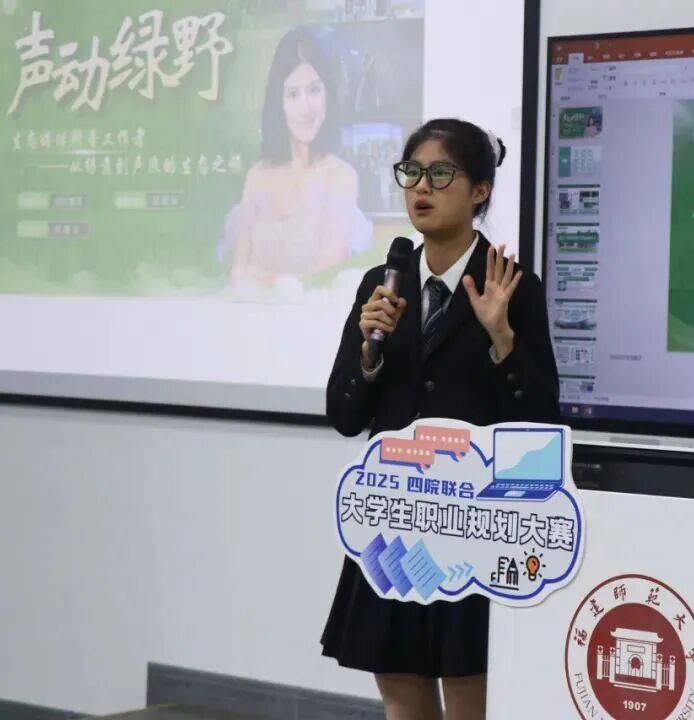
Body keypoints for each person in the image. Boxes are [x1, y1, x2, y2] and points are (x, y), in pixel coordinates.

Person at [320, 118, 560, 720]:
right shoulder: (383, 285)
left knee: (471, 704)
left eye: (441, 173)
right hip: (394, 522)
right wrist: (369, 352)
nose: (421, 187)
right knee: (403, 706)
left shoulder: (512, 288)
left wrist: (502, 339)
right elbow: (345, 414)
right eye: (412, 173)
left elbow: (540, 425)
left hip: (474, 529)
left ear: (481, 190)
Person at [224, 27, 373, 288]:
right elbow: (238, 272)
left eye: (314, 90)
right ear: (279, 102)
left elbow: (326, 274)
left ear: (328, 94)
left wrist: (268, 281)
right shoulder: (257, 176)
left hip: (312, 312)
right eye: (293, 94)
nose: (305, 108)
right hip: (250, 310)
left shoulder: (340, 177)